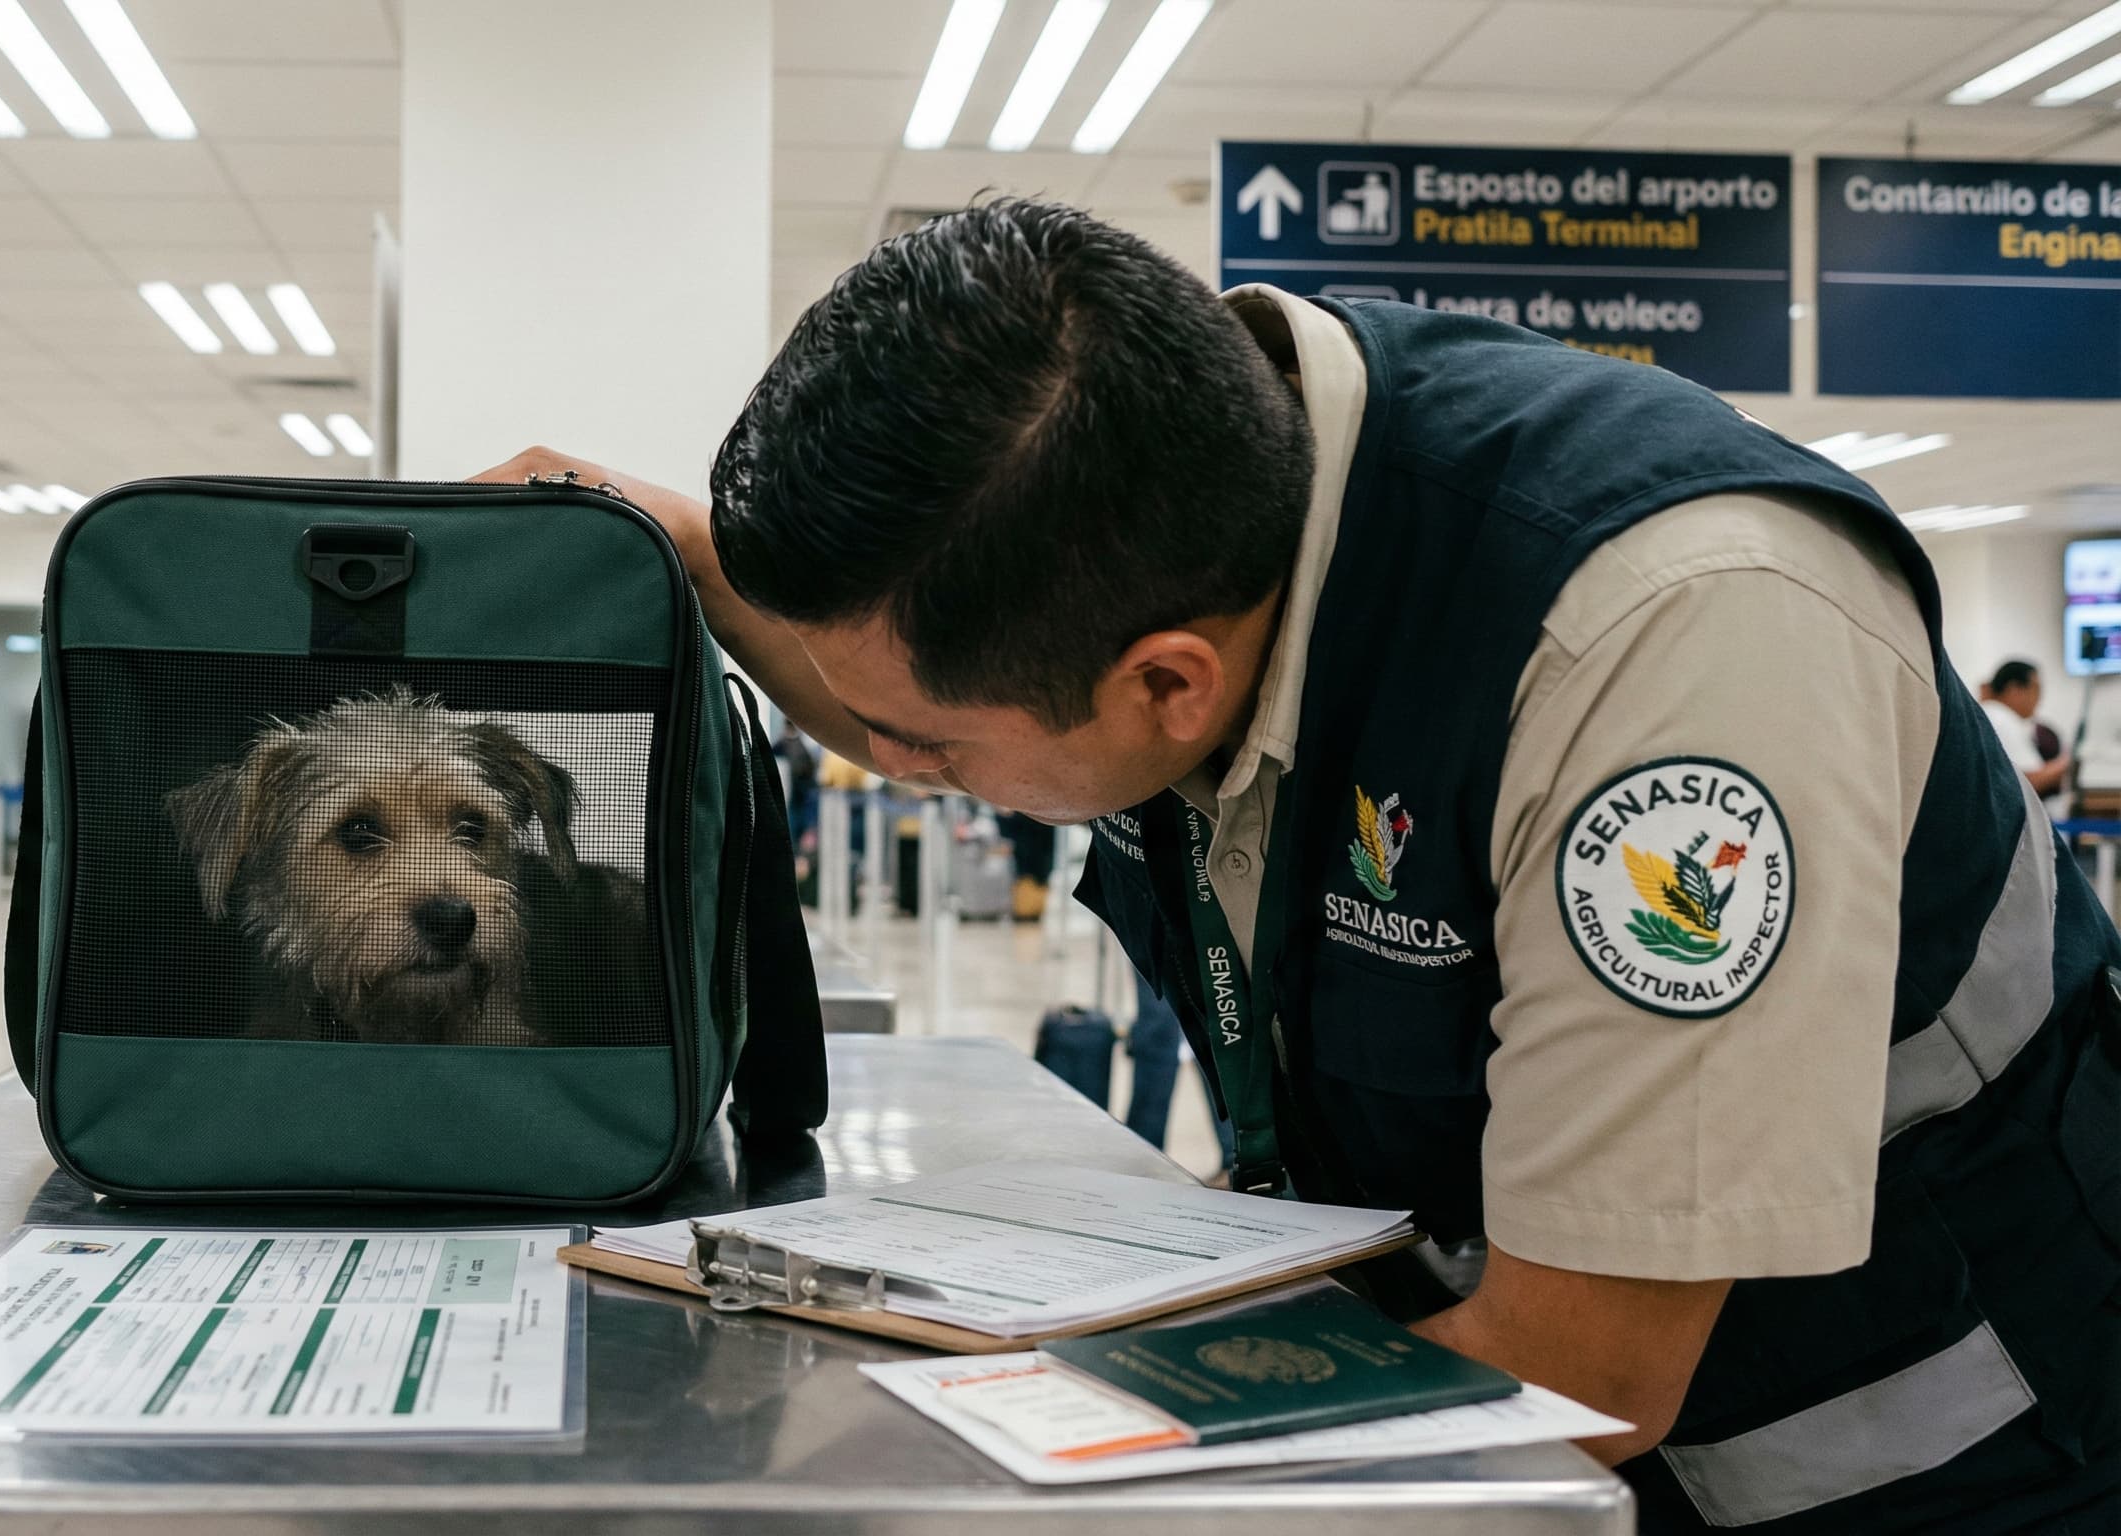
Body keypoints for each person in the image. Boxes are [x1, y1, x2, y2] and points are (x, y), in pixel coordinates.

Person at [480, 200, 2119, 1532]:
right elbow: (870, 670)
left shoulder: (1667, 644)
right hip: (1523, 1434)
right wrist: (648, 545)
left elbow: (1589, 1366)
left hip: (1931, 1466)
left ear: (1169, 684)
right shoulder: (1155, 519)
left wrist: (964, 1449)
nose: (890, 766)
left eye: (931, 751)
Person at [1981, 660, 2070, 799]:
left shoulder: (1987, 713)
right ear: (2014, 689)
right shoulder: (2001, 718)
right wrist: (2065, 763)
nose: (2039, 698)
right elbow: (2027, 782)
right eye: (2036, 689)